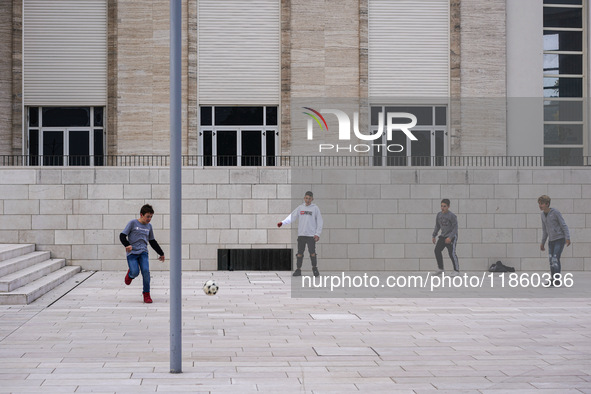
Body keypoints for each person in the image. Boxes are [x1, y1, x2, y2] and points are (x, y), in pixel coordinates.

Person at [120, 204, 165, 303]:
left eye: (151, 217)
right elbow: (122, 235)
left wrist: (161, 253)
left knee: (146, 272)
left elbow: (152, 241)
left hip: (143, 252)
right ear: (141, 215)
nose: (149, 219)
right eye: (147, 216)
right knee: (135, 272)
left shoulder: (149, 226)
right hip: (132, 253)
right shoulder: (132, 223)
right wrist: (127, 245)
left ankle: (146, 294)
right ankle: (131, 274)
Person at [278, 191, 323, 277]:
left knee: (312, 252)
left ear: (312, 199)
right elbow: (292, 216)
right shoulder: (300, 208)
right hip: (301, 234)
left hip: (311, 235)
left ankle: (315, 269)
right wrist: (283, 222)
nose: (308, 200)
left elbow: (320, 221)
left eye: (309, 198)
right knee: (300, 253)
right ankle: (298, 270)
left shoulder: (315, 208)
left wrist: (318, 233)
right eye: (306, 198)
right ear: (304, 198)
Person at [538, 195, 570, 287]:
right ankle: (552, 279)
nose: (540, 206)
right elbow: (545, 230)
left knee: (555, 258)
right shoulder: (542, 215)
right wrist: (542, 243)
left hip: (559, 239)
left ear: (547, 204)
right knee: (551, 260)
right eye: (539, 204)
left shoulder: (555, 212)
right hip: (551, 241)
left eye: (542, 204)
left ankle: (557, 280)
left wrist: (567, 237)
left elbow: (563, 225)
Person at [432, 198, 460, 277]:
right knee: (437, 250)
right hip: (443, 236)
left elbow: (455, 228)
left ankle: (456, 270)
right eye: (441, 206)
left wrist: (450, 237)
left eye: (444, 206)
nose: (442, 208)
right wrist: (434, 235)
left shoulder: (452, 216)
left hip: (451, 237)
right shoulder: (439, 215)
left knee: (452, 253)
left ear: (448, 207)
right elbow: (437, 226)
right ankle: (441, 269)